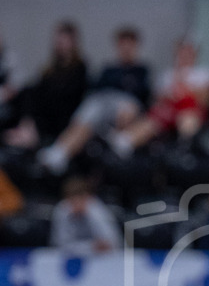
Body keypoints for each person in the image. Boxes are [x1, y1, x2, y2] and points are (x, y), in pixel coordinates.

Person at [39, 25, 152, 174]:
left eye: (129, 45)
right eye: (122, 44)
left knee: (126, 106)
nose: (125, 49)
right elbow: (97, 91)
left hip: (127, 109)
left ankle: (122, 140)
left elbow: (144, 98)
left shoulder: (142, 71)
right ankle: (60, 151)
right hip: (103, 107)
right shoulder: (109, 70)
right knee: (91, 108)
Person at [4, 20, 88, 150]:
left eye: (64, 39)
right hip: (42, 115)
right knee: (25, 93)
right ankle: (26, 128)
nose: (60, 42)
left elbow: (68, 98)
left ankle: (30, 134)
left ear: (72, 42)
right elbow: (35, 91)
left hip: (61, 118)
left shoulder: (80, 68)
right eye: (58, 38)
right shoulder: (49, 69)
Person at [50, 175, 121, 254]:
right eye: (72, 199)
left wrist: (89, 216)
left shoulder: (97, 209)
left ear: (87, 196)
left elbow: (112, 243)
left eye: (80, 197)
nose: (76, 202)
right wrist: (91, 246)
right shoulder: (62, 210)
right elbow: (59, 245)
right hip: (71, 257)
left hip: (102, 258)